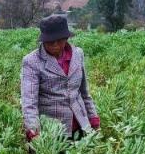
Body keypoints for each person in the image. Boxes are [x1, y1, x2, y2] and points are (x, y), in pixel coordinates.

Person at [20, 14, 99, 143]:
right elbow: (29, 101)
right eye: (50, 41)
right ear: (43, 40)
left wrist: (93, 117)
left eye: (59, 40)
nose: (55, 44)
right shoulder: (31, 61)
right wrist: (33, 130)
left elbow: (84, 92)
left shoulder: (78, 54)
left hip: (80, 124)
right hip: (52, 130)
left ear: (66, 38)